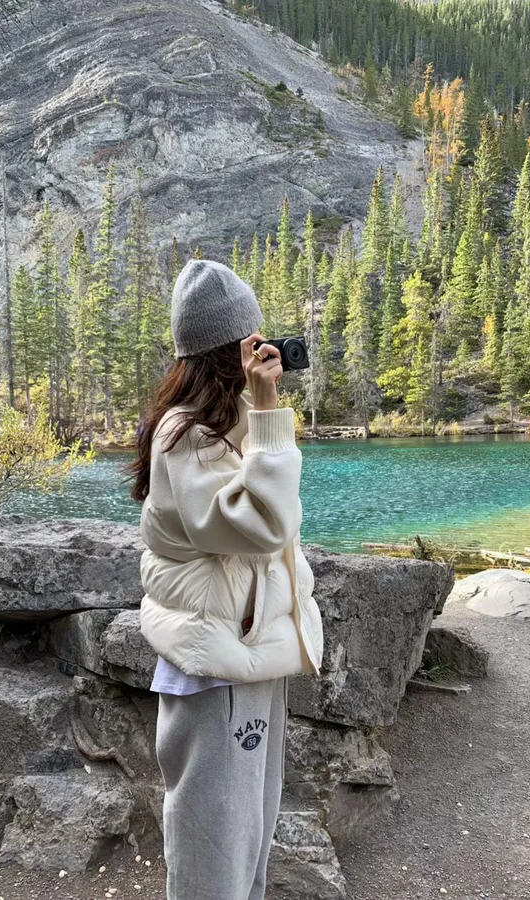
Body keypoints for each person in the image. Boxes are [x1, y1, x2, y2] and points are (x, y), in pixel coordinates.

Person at [130, 259, 324, 900]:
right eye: (251, 341)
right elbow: (263, 526)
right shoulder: (183, 433)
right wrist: (266, 410)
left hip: (246, 652)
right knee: (213, 839)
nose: (263, 352)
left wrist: (255, 410)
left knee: (251, 832)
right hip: (216, 665)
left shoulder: (219, 423)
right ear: (225, 351)